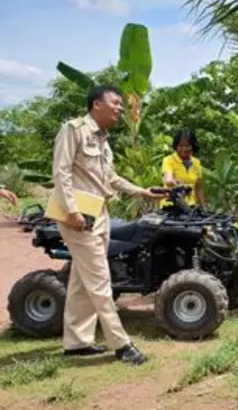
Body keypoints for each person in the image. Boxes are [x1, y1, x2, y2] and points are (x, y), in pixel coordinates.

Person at [52, 85, 164, 365]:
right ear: (96, 104)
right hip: (78, 217)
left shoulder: (103, 140)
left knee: (82, 280)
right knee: (101, 280)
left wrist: (143, 191)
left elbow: (110, 178)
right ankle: (121, 343)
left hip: (99, 214)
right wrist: (72, 211)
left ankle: (77, 342)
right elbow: (61, 171)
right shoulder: (74, 130)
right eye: (115, 102)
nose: (120, 108)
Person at [161, 129, 206, 208]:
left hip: (190, 207)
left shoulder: (196, 162)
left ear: (192, 146)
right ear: (176, 146)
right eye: (181, 146)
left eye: (187, 146)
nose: (184, 149)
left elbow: (199, 188)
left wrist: (204, 207)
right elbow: (168, 180)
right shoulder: (168, 160)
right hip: (171, 207)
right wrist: (175, 183)